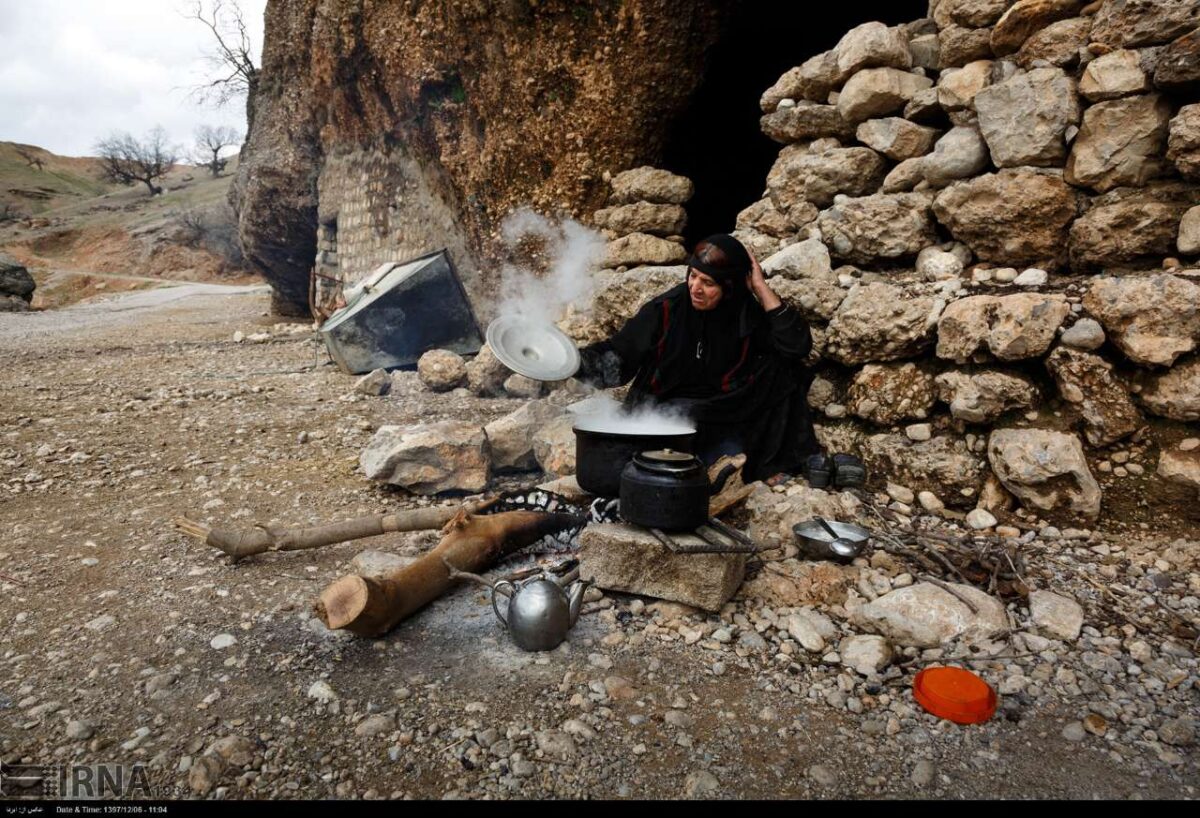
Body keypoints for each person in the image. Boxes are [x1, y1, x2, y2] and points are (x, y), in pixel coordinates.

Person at [578, 233, 822, 483]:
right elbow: (620, 353)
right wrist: (575, 362)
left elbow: (796, 346)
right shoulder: (667, 310)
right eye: (692, 276)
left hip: (727, 411)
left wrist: (759, 287)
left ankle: (759, 464)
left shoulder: (745, 313)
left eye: (708, 283)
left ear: (730, 287)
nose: (695, 288)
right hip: (671, 416)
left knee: (783, 370)